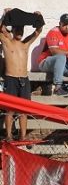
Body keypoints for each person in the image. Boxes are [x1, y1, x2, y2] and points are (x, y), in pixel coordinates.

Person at [1, 9, 43, 141]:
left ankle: (23, 136)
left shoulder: (26, 44)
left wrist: (39, 16)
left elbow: (38, 31)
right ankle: (8, 135)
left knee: (24, 110)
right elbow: (0, 28)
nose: (19, 31)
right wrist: (5, 15)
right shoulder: (7, 42)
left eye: (21, 29)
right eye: (17, 29)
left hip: (24, 80)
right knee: (10, 110)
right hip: (11, 79)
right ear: (12, 30)